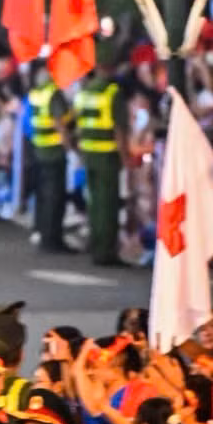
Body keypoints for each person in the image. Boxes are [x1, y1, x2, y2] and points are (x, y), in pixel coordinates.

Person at [72, 56, 126, 267]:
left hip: (89, 154)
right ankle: (106, 251)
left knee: (94, 203)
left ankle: (95, 246)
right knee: (108, 205)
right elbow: (119, 130)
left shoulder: (84, 92)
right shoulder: (112, 92)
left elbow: (78, 125)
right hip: (107, 156)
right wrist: (125, 158)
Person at [25, 59, 72, 253]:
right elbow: (60, 124)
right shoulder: (53, 93)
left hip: (40, 149)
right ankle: (52, 239)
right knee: (55, 197)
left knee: (44, 195)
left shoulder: (37, 92)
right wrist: (70, 148)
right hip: (54, 151)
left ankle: (43, 233)